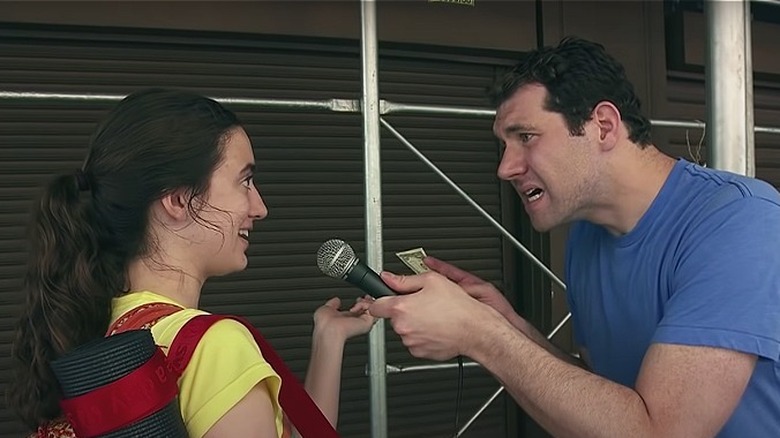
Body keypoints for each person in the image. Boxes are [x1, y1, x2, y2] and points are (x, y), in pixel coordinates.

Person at [368, 36, 780, 437]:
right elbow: (603, 409)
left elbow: (659, 431)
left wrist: (481, 335)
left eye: (525, 137)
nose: (505, 167)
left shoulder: (737, 221)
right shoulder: (587, 234)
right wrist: (505, 325)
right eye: (504, 144)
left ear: (602, 125)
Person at [8, 88, 375, 438]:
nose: (259, 208)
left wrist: (330, 339)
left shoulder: (97, 324)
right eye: (245, 181)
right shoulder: (217, 347)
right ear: (179, 200)